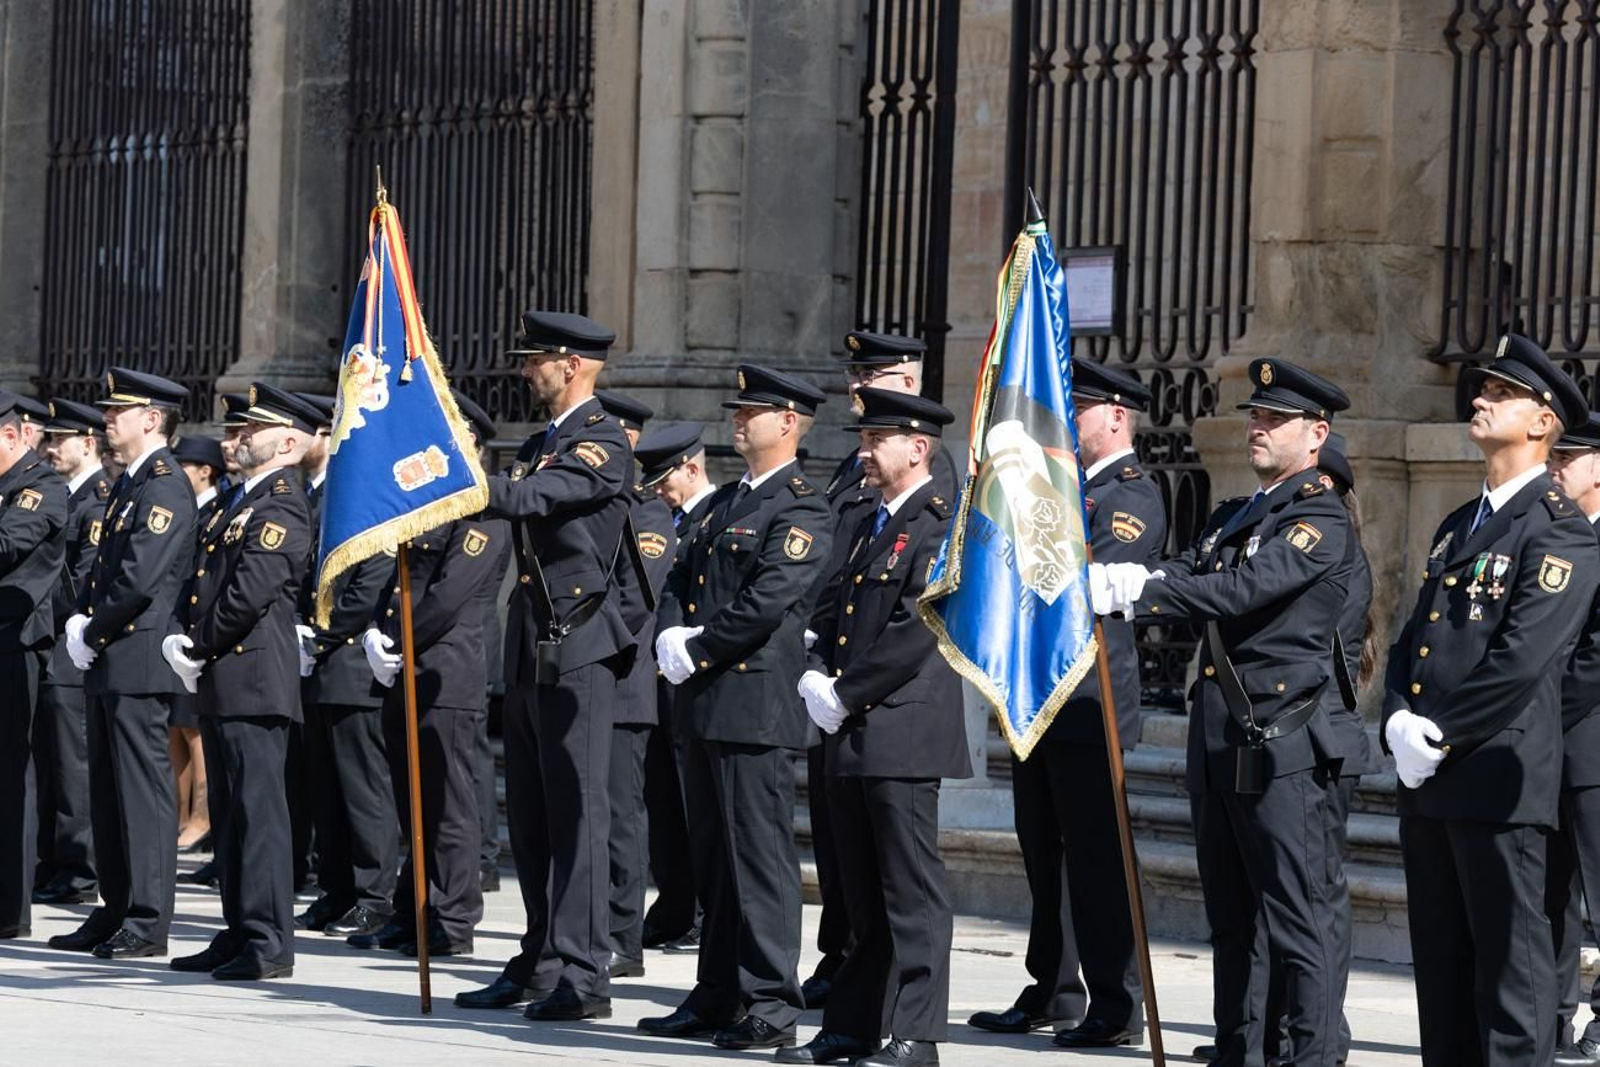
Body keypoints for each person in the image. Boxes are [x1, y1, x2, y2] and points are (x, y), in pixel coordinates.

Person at [1091, 358, 1354, 1067]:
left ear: (1316, 432)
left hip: (1285, 743)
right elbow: (1191, 567)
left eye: (1275, 418)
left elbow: (1241, 590)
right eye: (1255, 414)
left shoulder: (1318, 519)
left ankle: (1314, 1053)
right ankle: (1241, 1046)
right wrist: (1131, 579)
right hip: (1223, 738)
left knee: (1299, 916)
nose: (1256, 426)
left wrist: (1139, 592)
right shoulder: (1239, 513)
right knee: (1233, 917)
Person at [1384, 335, 1596, 1065]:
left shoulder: (1561, 529)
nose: (1480, 397)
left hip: (1498, 781)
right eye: (1483, 388)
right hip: (1433, 784)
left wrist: (1437, 733)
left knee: (1512, 989)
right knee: (1443, 985)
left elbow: (1523, 660)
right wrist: (1396, 719)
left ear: (1542, 422)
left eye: (1500, 392)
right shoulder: (1456, 526)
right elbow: (1415, 639)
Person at [969, 359, 1166, 1048]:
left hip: (1089, 699)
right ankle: (1052, 982)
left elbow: (1082, 583)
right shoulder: (1065, 488)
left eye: (1078, 410)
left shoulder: (1132, 495)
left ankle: (1117, 1000)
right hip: (1039, 697)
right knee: (1042, 849)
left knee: (1097, 857)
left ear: (1115, 415)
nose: (1067, 423)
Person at [640, 364, 833, 1051]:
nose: (737, 419)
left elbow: (770, 597)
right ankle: (718, 990)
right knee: (713, 859)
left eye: (752, 411)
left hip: (755, 704)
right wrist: (668, 630)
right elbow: (681, 574)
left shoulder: (803, 504)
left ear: (788, 421)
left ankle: (771, 1001)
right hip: (705, 704)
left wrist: (699, 648)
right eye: (738, 409)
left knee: (757, 860)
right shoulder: (725, 502)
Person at [781, 387, 970, 1067]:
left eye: (875, 440)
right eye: (863, 439)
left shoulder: (939, 526)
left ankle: (917, 1034)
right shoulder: (870, 522)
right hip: (849, 727)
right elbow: (830, 610)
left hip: (902, 731)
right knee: (858, 894)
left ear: (917, 447)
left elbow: (917, 625)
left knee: (910, 893)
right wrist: (813, 667)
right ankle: (853, 1025)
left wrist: (844, 689)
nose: (863, 451)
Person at [455, 310, 635, 1021]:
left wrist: (451, 474)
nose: (527, 371)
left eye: (537, 361)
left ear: (575, 364)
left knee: (578, 815)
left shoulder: (601, 444)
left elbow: (530, 499)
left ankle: (587, 973)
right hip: (533, 643)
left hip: (582, 644)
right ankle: (542, 954)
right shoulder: (542, 442)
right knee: (529, 816)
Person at [50, 369, 197, 959]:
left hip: (137, 654)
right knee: (109, 794)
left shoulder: (163, 485)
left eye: (119, 413)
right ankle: (114, 906)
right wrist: (86, 622)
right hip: (112, 655)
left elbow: (138, 577)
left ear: (152, 420)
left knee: (142, 794)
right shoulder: (130, 483)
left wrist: (94, 626)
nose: (107, 421)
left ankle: (147, 917)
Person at [293, 393, 398, 941]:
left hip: (352, 663)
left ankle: (374, 894)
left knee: (363, 790)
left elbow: (369, 583)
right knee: (326, 791)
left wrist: (323, 631)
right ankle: (334, 891)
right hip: (319, 664)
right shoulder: (323, 501)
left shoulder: (369, 502)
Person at [593, 391, 678, 980]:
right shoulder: (597, 506)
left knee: (621, 817)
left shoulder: (646, 514)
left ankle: (624, 936)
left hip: (622, 683)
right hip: (586, 681)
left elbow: (633, 602)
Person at [635, 422, 717, 954]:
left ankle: (707, 911)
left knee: (698, 804)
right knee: (663, 800)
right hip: (657, 675)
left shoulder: (717, 516)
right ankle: (674, 905)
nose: (661, 492)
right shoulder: (667, 520)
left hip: (696, 676)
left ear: (692, 468)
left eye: (667, 480)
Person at [32, 399, 111, 907]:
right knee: (49, 761)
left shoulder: (98, 498)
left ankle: (79, 866)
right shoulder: (65, 494)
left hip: (73, 640)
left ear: (87, 443)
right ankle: (55, 859)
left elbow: (83, 580)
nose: (51, 449)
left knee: (72, 763)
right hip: (51, 640)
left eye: (59, 440)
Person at [0, 392, 69, 941]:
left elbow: (9, 542)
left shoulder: (40, 486)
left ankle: (9, 908)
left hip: (14, 644)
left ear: (13, 436)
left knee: (10, 777)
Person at [1550, 413, 1600, 1067]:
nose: (1556, 467)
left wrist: (1536, 709)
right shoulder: (1555, 536)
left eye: (1569, 458)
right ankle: (1550, 1012)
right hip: (1548, 746)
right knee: (1548, 891)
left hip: (1591, 740)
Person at [167, 434, 227, 857]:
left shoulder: (215, 507)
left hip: (204, 633)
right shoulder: (189, 507)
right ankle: (181, 816)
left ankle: (203, 818)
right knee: (178, 726)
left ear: (205, 471)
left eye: (185, 466)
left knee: (195, 731)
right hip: (180, 631)